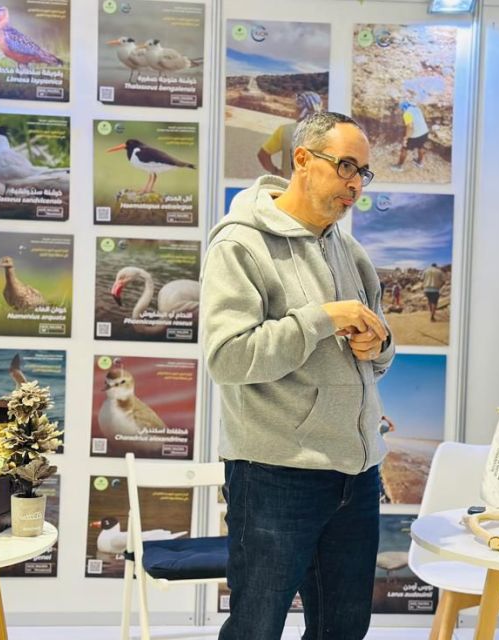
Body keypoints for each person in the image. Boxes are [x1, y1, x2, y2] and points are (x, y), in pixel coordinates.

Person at [202, 111, 394, 640]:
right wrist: (320, 319)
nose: (356, 185)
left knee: (343, 630)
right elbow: (227, 357)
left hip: (357, 475)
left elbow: (380, 352)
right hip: (275, 475)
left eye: (363, 172)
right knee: (256, 629)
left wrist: (378, 345)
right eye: (346, 166)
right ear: (303, 160)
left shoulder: (349, 250)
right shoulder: (240, 245)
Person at [257, 90, 323, 178]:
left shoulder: (284, 130)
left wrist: (275, 171)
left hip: (289, 184)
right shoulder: (327, 132)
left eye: (296, 108)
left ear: (300, 110)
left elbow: (262, 155)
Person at [391, 100, 429, 171]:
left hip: (414, 135)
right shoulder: (417, 108)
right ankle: (419, 163)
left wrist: (406, 138)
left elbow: (410, 127)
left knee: (404, 149)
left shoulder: (407, 114)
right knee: (421, 146)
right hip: (424, 132)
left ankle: (399, 166)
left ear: (403, 108)